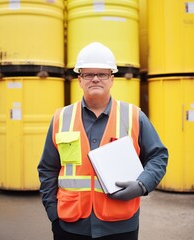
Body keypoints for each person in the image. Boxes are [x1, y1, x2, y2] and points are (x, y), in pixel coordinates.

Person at [38, 42, 168, 240]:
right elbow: (48, 168)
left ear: (112, 79)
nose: (95, 79)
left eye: (102, 74)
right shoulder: (61, 118)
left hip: (120, 225)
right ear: (80, 79)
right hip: (70, 225)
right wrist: (53, 212)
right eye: (89, 74)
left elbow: (158, 156)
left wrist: (142, 185)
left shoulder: (134, 116)